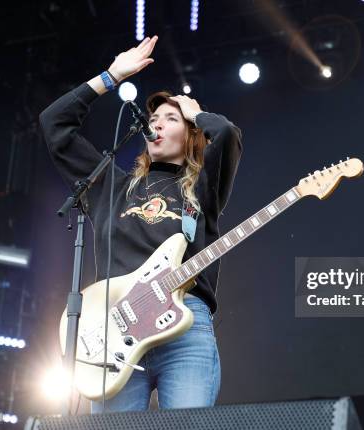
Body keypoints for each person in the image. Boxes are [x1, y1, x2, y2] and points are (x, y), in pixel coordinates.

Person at [39, 35, 242, 412]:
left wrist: (195, 113)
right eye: (153, 119)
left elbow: (227, 135)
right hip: (114, 330)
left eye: (171, 118)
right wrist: (110, 76)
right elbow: (54, 125)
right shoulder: (112, 186)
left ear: (192, 134)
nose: (158, 125)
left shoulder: (201, 188)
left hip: (184, 323)